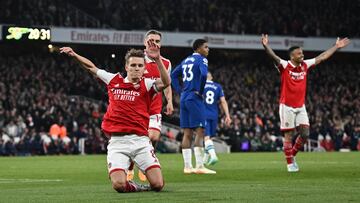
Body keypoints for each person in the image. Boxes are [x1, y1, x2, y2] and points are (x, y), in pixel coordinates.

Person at [60, 41, 170, 192]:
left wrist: (157, 59)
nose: (136, 68)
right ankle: (136, 187)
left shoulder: (148, 84)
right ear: (126, 67)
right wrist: (74, 55)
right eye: (133, 65)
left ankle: (141, 178)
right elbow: (91, 67)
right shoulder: (113, 80)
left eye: (139, 66)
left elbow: (166, 82)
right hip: (118, 142)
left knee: (158, 185)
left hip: (141, 141)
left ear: (144, 69)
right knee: (119, 185)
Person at [261, 34, 350, 172]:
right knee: (288, 135)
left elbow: (322, 57)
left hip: (300, 106)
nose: (302, 55)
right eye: (299, 53)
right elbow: (274, 57)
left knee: (305, 134)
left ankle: (292, 155)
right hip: (287, 106)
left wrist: (336, 47)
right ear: (292, 56)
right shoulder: (285, 66)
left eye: (302, 53)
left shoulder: (305, 65)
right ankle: (290, 165)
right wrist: (266, 46)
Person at [127, 30, 173, 182]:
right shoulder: (138, 61)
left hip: (154, 109)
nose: (154, 43)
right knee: (137, 139)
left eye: (157, 41)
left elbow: (167, 84)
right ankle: (131, 166)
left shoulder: (166, 62)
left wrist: (170, 101)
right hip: (137, 110)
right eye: (151, 40)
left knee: (152, 137)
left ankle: (144, 165)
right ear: (145, 42)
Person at [171, 39, 216, 174]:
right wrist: (200, 91)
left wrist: (179, 90)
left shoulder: (186, 60)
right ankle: (200, 166)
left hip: (184, 97)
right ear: (198, 48)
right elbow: (203, 74)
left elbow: (173, 75)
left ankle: (187, 167)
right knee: (200, 130)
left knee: (187, 133)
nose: (208, 49)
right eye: (206, 47)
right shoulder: (202, 59)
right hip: (195, 97)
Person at [202, 72, 231, 166]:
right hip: (214, 114)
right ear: (211, 77)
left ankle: (213, 156)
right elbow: (223, 101)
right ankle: (205, 160)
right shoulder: (217, 86)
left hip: (203, 113)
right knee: (210, 137)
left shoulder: (200, 85)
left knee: (206, 137)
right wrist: (227, 115)